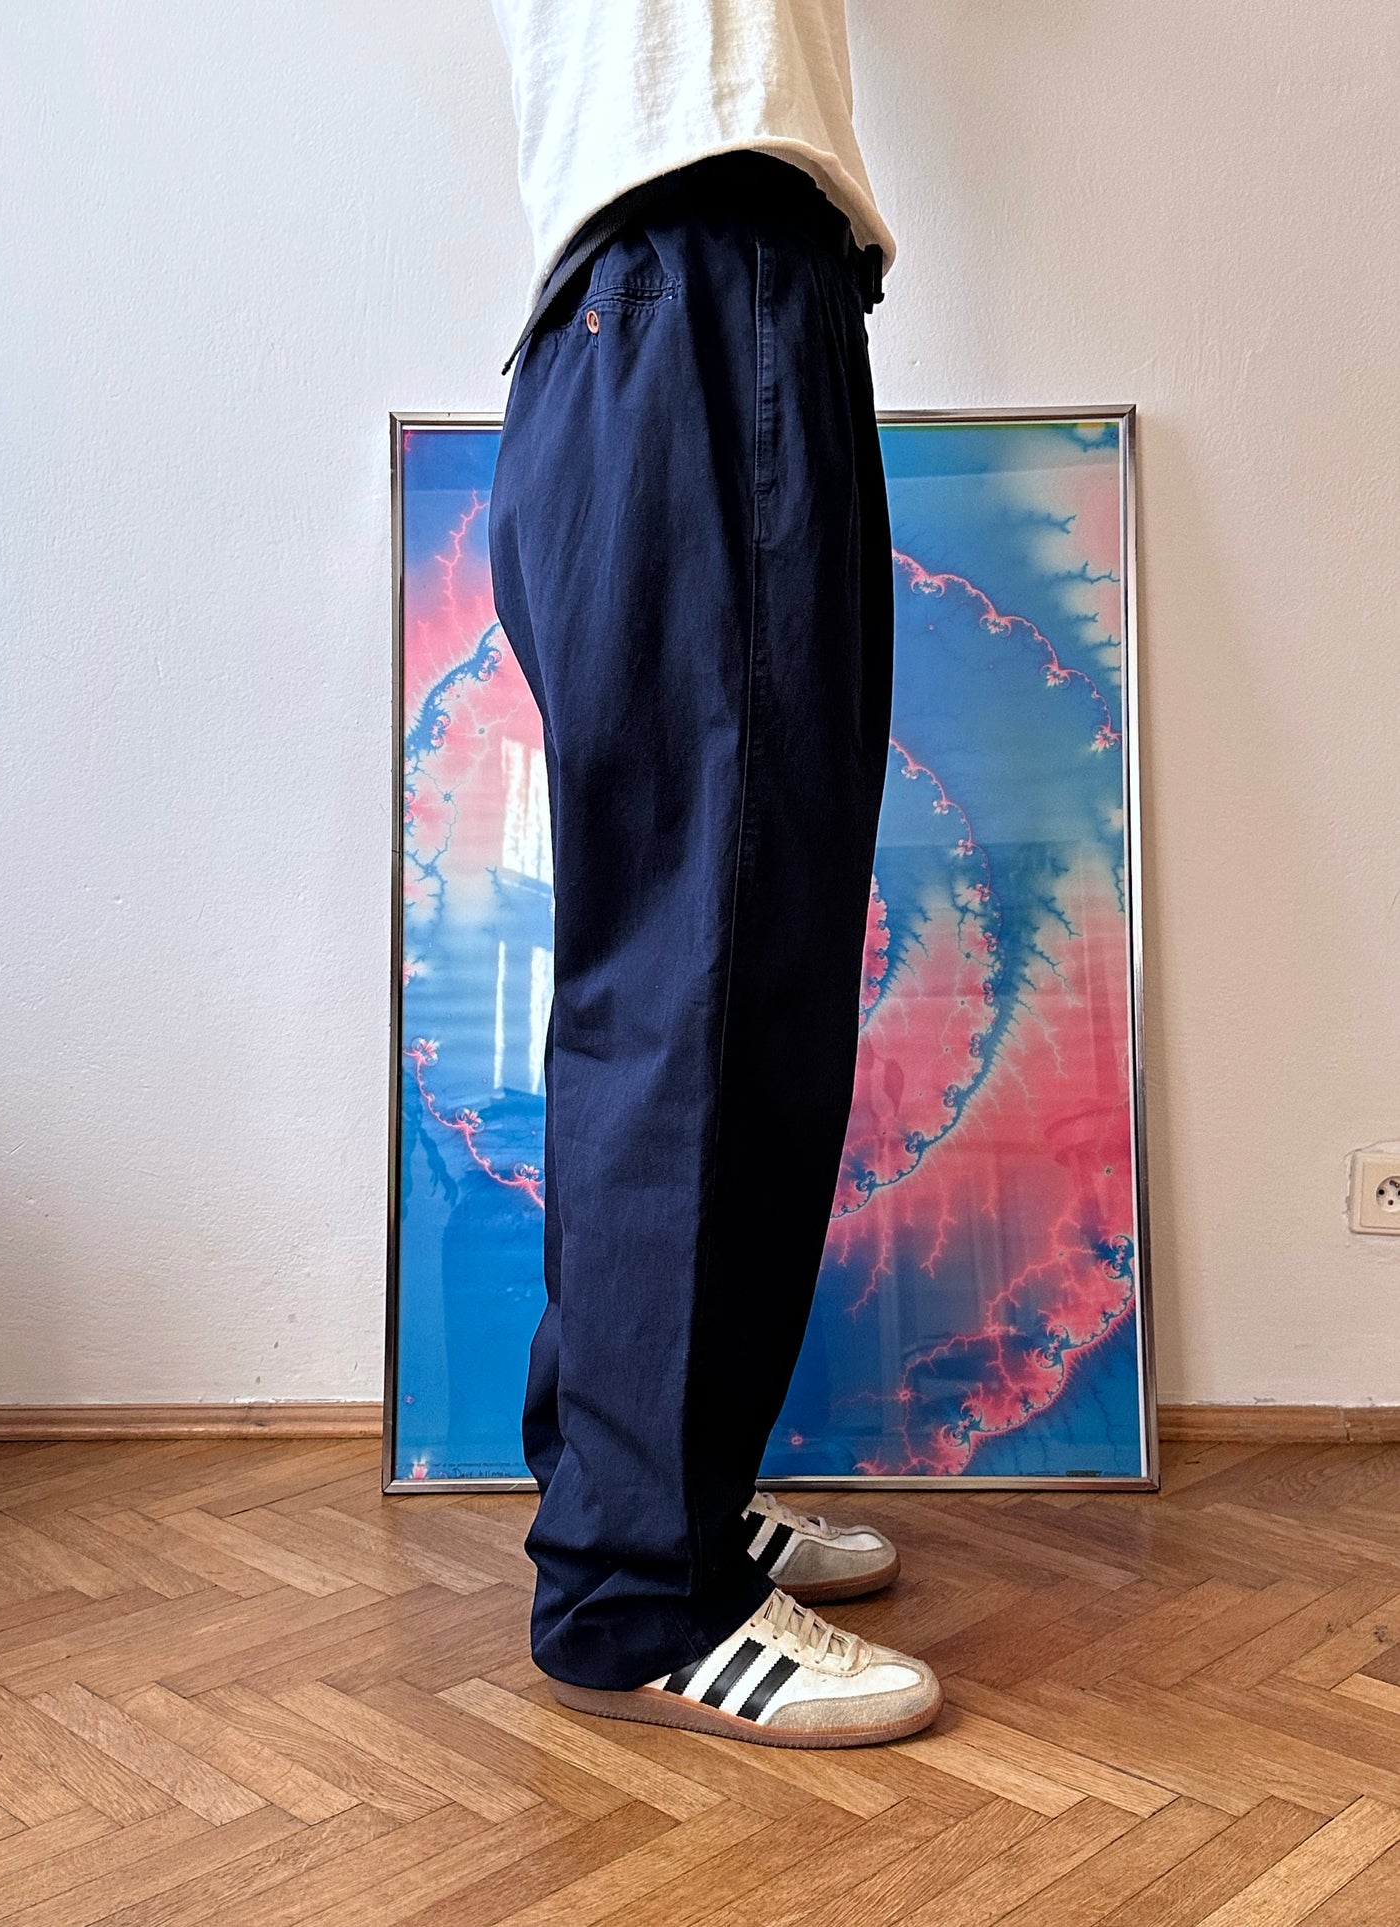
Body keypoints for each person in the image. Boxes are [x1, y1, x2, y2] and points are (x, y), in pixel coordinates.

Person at [485, 0, 943, 1747]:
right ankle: (636, 1595)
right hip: (689, 285)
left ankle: (660, 1499)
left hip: (715, 307)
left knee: (740, 964)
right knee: (698, 975)